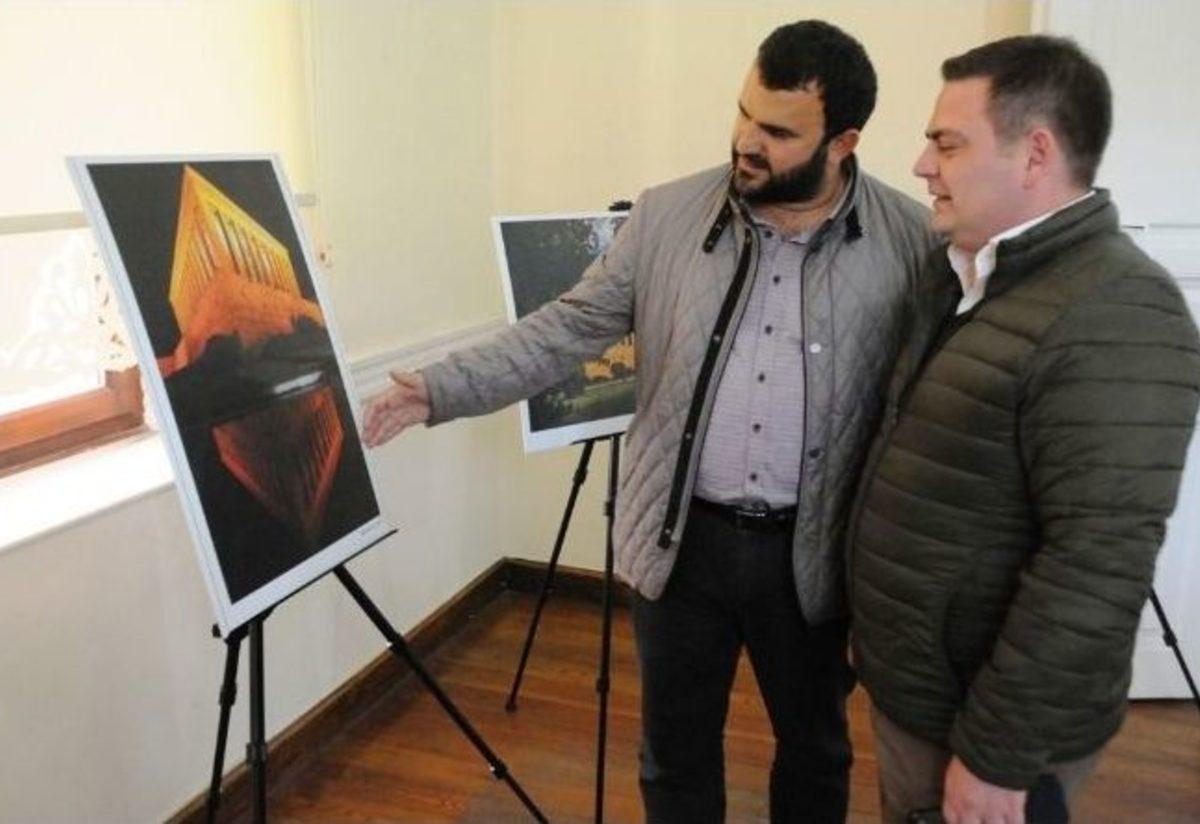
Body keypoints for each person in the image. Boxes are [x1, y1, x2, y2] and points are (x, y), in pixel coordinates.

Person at [364, 20, 932, 823]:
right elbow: (566, 328)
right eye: (744, 113)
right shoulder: (666, 216)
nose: (747, 141)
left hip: (816, 557)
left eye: (777, 132)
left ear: (843, 142)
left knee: (815, 754)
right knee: (673, 758)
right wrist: (439, 389)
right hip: (680, 548)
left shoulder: (912, 242)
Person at [847, 35, 1200, 824]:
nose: (922, 165)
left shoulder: (1118, 311)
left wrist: (996, 755)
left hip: (988, 731)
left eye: (947, 144)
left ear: (1035, 153)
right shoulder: (964, 273)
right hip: (923, 691)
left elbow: (1095, 565)